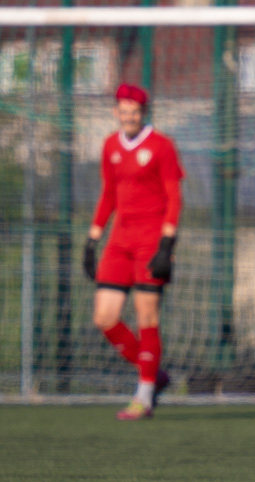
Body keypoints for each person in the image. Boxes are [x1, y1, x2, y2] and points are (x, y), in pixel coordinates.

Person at [84, 83, 184, 421]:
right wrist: (93, 239)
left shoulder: (162, 146)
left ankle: (143, 397)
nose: (129, 117)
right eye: (123, 111)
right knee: (104, 317)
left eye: (135, 112)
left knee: (147, 319)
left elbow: (174, 196)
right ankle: (155, 374)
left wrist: (167, 244)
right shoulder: (110, 145)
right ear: (116, 112)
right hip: (119, 241)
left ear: (144, 113)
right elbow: (108, 194)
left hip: (151, 242)